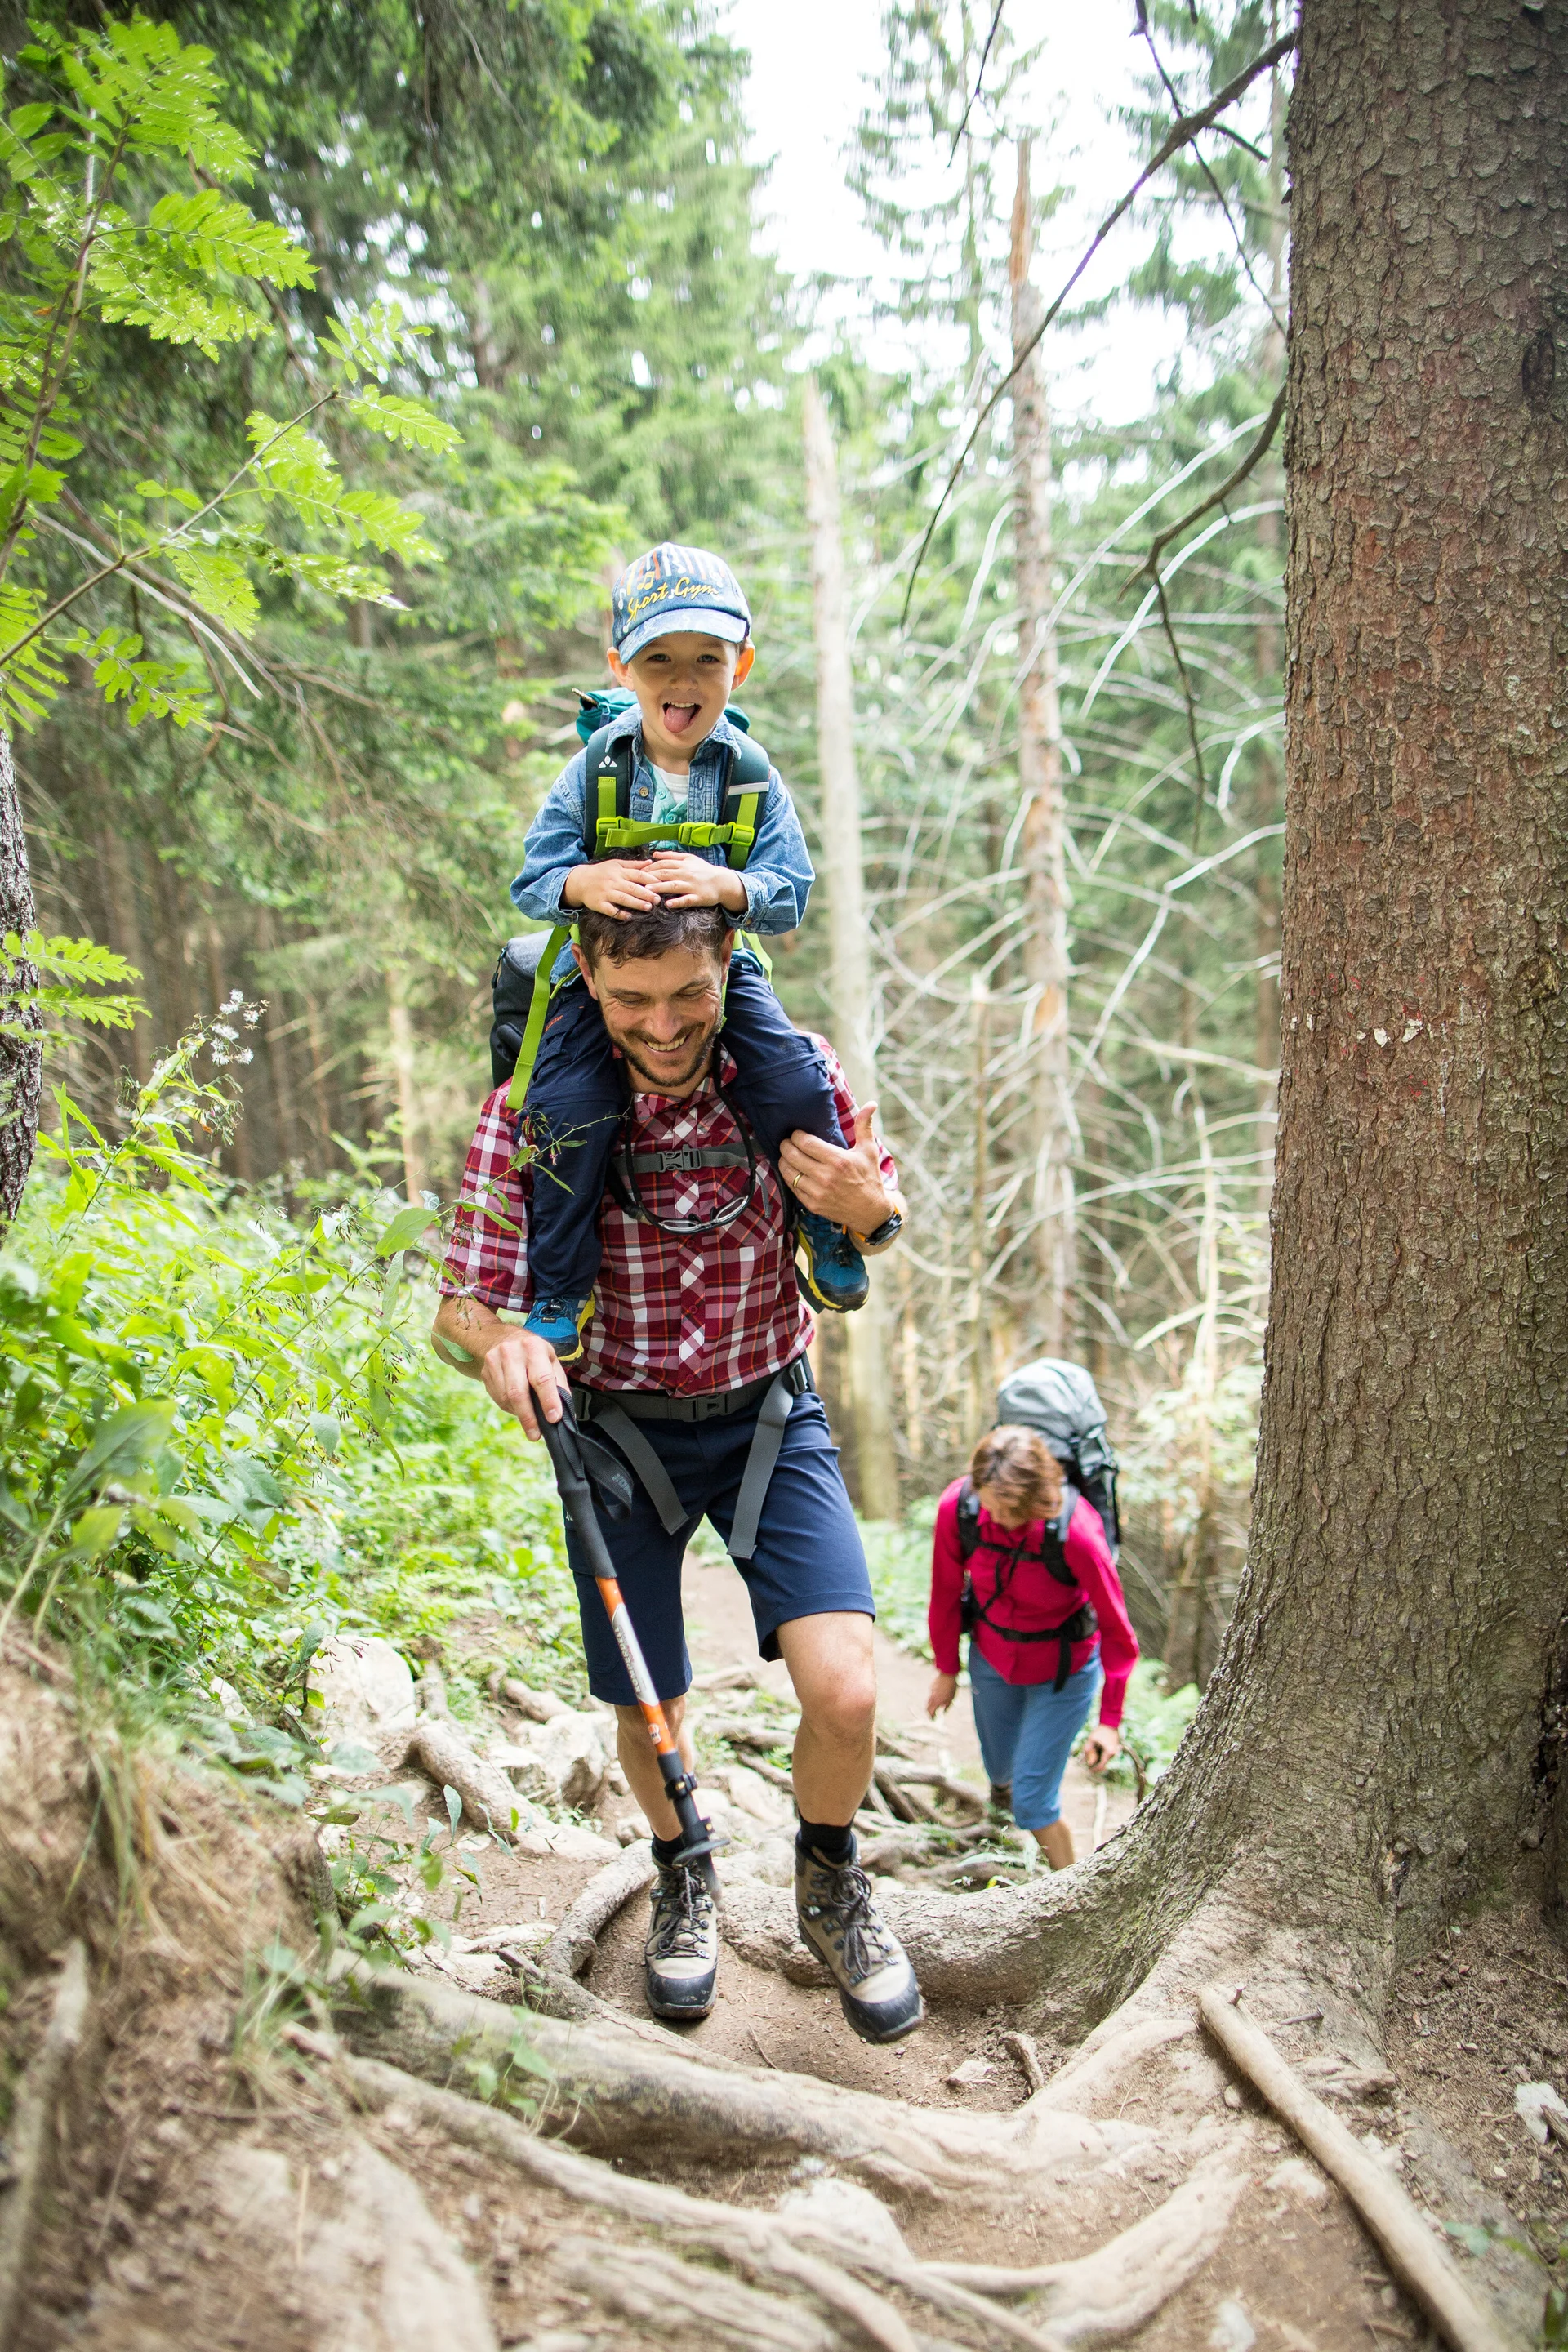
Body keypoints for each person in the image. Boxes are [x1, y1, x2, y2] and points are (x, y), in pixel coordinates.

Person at [432, 894, 924, 2044]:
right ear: (591, 986)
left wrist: (874, 1212)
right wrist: (501, 1343)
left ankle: (830, 1879)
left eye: (689, 993)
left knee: (848, 1690)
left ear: (728, 970)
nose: (663, 1025)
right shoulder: (538, 1115)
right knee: (652, 1708)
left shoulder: (793, 1074)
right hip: (616, 1433)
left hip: (768, 1419)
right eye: (632, 999)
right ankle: (683, 1873)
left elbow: (878, 1210)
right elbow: (461, 1298)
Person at [511, 539, 867, 1362]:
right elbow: (532, 880)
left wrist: (727, 887)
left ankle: (822, 1220)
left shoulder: (749, 778)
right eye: (659, 658)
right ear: (621, 666)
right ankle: (562, 1285)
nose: (683, 680)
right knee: (568, 1108)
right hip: (600, 980)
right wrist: (583, 884)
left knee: (790, 1074)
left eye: (707, 659)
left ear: (739, 667)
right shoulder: (593, 772)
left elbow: (792, 891)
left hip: (719, 972)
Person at [925, 1424, 1138, 1869]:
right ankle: (1000, 1820)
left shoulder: (1076, 1534)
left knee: (1034, 1800)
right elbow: (945, 1593)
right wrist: (947, 1670)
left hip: (1062, 1674)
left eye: (1012, 1511)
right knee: (999, 1768)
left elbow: (1118, 1633)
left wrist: (1110, 1722)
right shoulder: (959, 1510)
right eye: (993, 1506)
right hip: (991, 1659)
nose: (999, 1520)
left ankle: (1069, 1896)